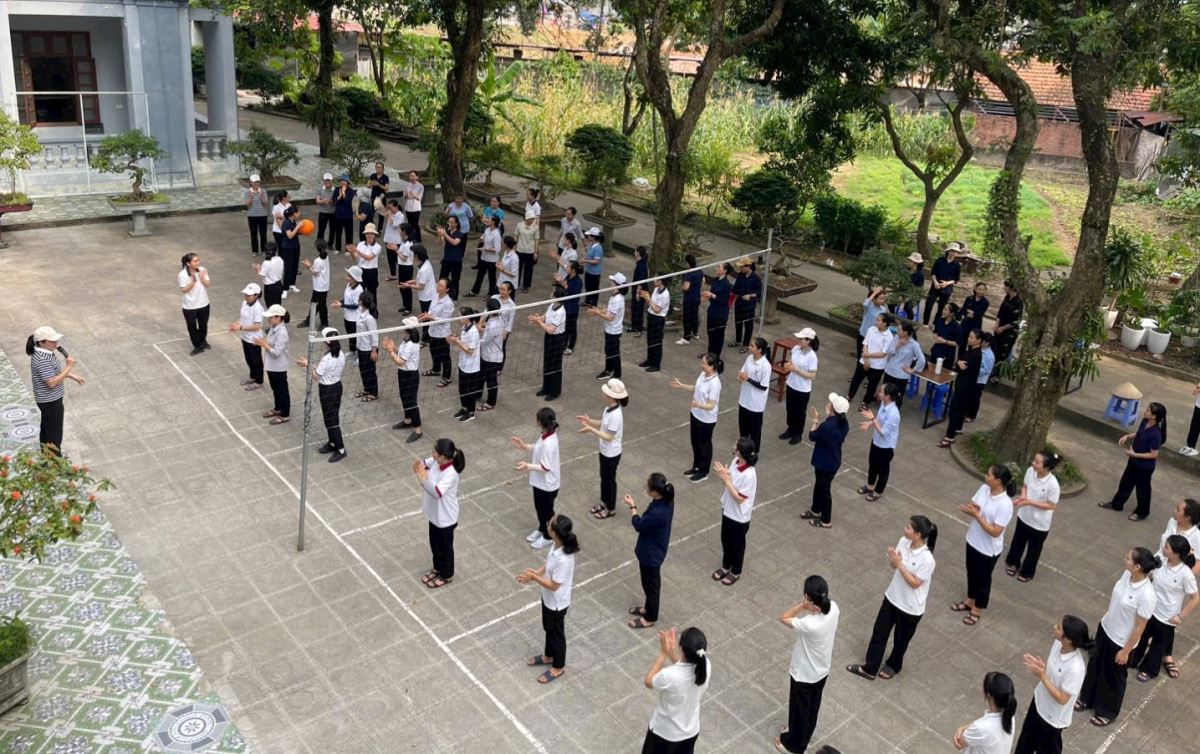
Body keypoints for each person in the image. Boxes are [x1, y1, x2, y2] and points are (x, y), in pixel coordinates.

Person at [847, 515, 938, 680]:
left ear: (918, 535)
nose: (905, 529)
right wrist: (893, 559)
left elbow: (915, 583)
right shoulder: (903, 541)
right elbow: (893, 565)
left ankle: (894, 665)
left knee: (901, 640)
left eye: (909, 527)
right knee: (879, 632)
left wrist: (899, 564)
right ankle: (870, 668)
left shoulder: (927, 560)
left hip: (910, 608)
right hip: (892, 597)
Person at [1077, 547, 1159, 727]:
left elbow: (1140, 627)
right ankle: (1086, 698)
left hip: (1121, 641)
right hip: (1106, 628)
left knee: (1113, 676)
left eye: (1128, 558)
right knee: (1095, 665)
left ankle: (1107, 711)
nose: (1125, 559)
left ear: (1137, 566)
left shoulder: (1147, 595)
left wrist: (1126, 651)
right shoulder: (1126, 575)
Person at [776, 576, 839, 754]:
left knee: (799, 710)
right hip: (822, 669)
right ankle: (804, 735)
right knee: (812, 706)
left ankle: (794, 746)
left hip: (803, 674)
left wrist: (802, 607)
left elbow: (783, 617)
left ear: (807, 596)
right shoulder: (834, 609)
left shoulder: (809, 624)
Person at [1014, 616, 1092, 754]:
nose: (1054, 627)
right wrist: (1043, 670)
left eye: (1058, 627)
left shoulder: (1076, 668)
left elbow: (1063, 699)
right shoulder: (1058, 644)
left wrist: (1042, 676)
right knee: (1025, 743)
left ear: (1068, 639)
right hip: (1038, 703)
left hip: (1052, 718)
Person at [953, 465, 1017, 627]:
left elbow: (995, 531)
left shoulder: (1005, 504)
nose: (986, 477)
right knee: (971, 572)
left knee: (983, 580)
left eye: (989, 475)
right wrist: (972, 509)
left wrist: (977, 515)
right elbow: (975, 505)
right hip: (973, 540)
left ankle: (977, 609)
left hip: (988, 549)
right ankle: (969, 599)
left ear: (998, 481)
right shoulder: (984, 489)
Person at [517, 514, 578, 684]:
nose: (547, 523)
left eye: (550, 524)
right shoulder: (557, 545)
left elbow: (553, 585)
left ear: (555, 533)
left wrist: (533, 578)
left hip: (557, 603)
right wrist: (537, 572)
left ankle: (558, 666)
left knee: (557, 634)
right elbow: (549, 562)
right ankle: (548, 656)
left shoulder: (564, 560)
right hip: (548, 599)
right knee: (548, 628)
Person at [1133, 535, 1198, 682]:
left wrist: (1180, 616)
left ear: (1176, 554)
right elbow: (1150, 577)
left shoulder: (1185, 574)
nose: (1163, 548)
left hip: (1166, 617)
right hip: (1150, 610)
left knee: (1158, 645)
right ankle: (1133, 659)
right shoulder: (1160, 560)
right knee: (1141, 637)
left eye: (1167, 547)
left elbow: (1195, 598)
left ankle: (1149, 669)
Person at [641, 626, 709, 754]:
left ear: (681, 649)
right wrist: (671, 652)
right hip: (690, 731)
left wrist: (663, 653)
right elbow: (683, 665)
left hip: (665, 734)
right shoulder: (706, 667)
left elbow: (648, 681)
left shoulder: (669, 676)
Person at [1097, 401, 1166, 522]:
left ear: (1154, 416)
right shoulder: (1145, 421)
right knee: (1125, 483)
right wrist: (1128, 436)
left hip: (1144, 467)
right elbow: (1139, 433)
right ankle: (1116, 504)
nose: (1145, 411)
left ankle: (1142, 512)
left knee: (1142, 490)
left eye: (1148, 410)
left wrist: (1135, 454)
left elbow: (1154, 454)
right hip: (1134, 461)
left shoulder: (1155, 434)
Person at [1005, 450, 1063, 582]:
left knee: (1034, 549)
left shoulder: (1053, 485)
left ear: (1046, 467)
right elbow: (1025, 486)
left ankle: (1027, 572)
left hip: (1039, 523)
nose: (1033, 463)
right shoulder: (1030, 472)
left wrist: (1029, 502)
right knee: (1018, 541)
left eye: (1037, 462)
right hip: (1024, 516)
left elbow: (1051, 505)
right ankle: (1013, 562)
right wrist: (1023, 497)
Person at [415, 438, 465, 589]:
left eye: (434, 451)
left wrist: (423, 478)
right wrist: (419, 467)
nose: (432, 453)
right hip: (434, 514)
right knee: (434, 543)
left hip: (445, 518)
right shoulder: (437, 462)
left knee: (444, 548)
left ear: (442, 456)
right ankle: (437, 568)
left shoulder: (450, 474)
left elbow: (436, 492)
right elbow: (423, 464)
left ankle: (446, 574)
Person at [625, 473, 674, 628]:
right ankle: (648, 608)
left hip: (651, 554)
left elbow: (639, 525)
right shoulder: (666, 501)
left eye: (648, 486)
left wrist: (633, 506)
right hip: (654, 548)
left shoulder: (658, 513)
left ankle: (650, 617)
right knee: (648, 584)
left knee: (651, 586)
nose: (645, 487)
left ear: (654, 492)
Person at [26, 326, 84, 451]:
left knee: (47, 430)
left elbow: (53, 372)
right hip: (50, 401)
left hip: (50, 400)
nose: (56, 343)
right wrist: (69, 366)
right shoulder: (42, 359)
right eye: (52, 341)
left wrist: (71, 375)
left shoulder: (46, 352)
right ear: (41, 342)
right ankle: (54, 460)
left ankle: (46, 457)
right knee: (54, 435)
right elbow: (51, 383)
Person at [712, 436, 758, 586]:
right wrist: (725, 476)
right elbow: (729, 483)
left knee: (737, 545)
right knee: (725, 539)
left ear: (741, 452)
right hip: (728, 509)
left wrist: (726, 479)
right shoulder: (735, 462)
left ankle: (736, 571)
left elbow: (739, 498)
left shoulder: (750, 474)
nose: (734, 446)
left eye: (736, 446)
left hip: (739, 516)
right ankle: (726, 566)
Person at [513, 407, 562, 549]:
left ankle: (548, 536)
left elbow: (545, 467)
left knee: (547, 511)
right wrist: (525, 446)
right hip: (540, 482)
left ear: (539, 422)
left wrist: (527, 465)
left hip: (548, 485)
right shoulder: (546, 434)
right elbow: (538, 446)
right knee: (539, 508)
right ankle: (542, 528)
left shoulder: (549, 443)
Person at [297, 327, 347, 462]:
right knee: (328, 418)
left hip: (328, 390)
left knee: (332, 420)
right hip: (336, 386)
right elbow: (322, 371)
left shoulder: (327, 358)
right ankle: (332, 443)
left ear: (327, 342)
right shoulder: (341, 354)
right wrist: (310, 365)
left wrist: (307, 366)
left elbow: (317, 376)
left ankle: (341, 449)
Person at [580, 378, 628, 519]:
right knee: (604, 478)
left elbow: (609, 437)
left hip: (611, 453)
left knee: (609, 480)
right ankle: (604, 502)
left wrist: (591, 429)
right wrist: (590, 421)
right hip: (605, 451)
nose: (603, 393)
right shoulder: (609, 408)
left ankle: (611, 508)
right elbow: (603, 423)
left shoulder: (616, 415)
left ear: (611, 396)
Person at [672, 354, 723, 484]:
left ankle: (704, 471)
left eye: (704, 364)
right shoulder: (703, 374)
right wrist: (682, 385)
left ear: (712, 367)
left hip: (706, 420)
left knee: (704, 445)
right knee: (695, 441)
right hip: (695, 414)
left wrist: (698, 405)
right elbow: (696, 388)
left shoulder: (715, 384)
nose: (702, 365)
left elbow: (711, 405)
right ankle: (696, 466)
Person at [802, 394, 850, 528]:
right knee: (820, 485)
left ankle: (826, 520)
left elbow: (812, 436)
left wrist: (815, 421)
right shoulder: (844, 423)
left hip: (825, 462)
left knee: (824, 490)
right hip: (832, 459)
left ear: (833, 409)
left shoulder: (827, 426)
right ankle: (815, 509)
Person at [938, 329, 984, 448]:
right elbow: (959, 364)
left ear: (979, 341)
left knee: (955, 410)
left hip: (965, 387)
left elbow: (963, 367)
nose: (969, 339)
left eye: (972, 338)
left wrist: (959, 363)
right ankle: (958, 428)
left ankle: (949, 436)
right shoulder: (970, 350)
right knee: (961, 409)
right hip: (963, 384)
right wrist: (959, 363)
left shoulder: (976, 354)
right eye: (969, 336)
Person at [952, 672, 1017, 753]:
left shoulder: (981, 728)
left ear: (988, 695)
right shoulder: (1010, 715)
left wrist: (960, 729)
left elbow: (959, 743)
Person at [383, 317, 424, 444]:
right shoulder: (407, 340)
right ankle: (407, 420)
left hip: (410, 376)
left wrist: (390, 351)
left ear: (407, 330)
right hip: (403, 374)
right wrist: (393, 348)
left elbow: (400, 362)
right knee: (404, 397)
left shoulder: (411, 344)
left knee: (411, 402)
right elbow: (401, 353)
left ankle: (418, 430)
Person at [857, 382, 901, 501]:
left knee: (883, 470)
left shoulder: (894, 414)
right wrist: (869, 423)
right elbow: (878, 420)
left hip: (886, 447)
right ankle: (870, 486)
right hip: (876, 442)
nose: (878, 392)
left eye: (881, 391)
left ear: (888, 396)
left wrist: (872, 418)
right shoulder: (883, 403)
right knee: (872, 464)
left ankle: (878, 491)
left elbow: (883, 432)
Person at [847, 313, 895, 411]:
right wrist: (866, 360)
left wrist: (867, 356)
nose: (875, 322)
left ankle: (865, 402)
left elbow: (883, 353)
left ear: (885, 323)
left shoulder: (889, 336)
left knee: (872, 385)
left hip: (877, 366)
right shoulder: (871, 329)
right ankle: (849, 396)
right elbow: (865, 344)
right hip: (864, 361)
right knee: (856, 380)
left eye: (878, 320)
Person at [779, 328, 818, 444]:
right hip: (791, 384)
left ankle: (798, 433)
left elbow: (812, 375)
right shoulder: (796, 348)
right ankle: (790, 429)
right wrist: (788, 365)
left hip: (802, 389)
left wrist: (796, 370)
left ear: (808, 341)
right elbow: (790, 361)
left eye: (802, 339)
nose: (799, 340)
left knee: (799, 412)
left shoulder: (812, 356)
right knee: (790, 409)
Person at [256, 304, 291, 425]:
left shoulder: (282, 333)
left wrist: (264, 345)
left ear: (278, 317)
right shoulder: (273, 327)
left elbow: (276, 352)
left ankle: (285, 414)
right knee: (275, 389)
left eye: (271, 317)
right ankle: (278, 408)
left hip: (279, 367)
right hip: (271, 365)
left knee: (282, 390)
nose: (269, 319)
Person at [530, 288, 567, 400]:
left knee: (555, 366)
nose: (551, 293)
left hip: (557, 339)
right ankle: (546, 388)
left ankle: (554, 392)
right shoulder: (552, 305)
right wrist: (537, 319)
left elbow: (550, 330)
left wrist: (539, 322)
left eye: (553, 292)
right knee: (547, 362)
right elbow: (544, 317)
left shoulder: (561, 312)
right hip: (549, 338)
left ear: (557, 297)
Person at [736, 337, 771, 453]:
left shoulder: (765, 366)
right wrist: (740, 377)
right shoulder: (749, 358)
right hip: (744, 400)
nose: (750, 348)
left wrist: (748, 379)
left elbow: (764, 386)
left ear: (759, 350)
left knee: (754, 432)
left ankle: (753, 452)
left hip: (755, 405)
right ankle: (742, 450)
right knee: (743, 429)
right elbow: (742, 372)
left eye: (752, 346)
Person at [447, 308, 482, 423]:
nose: (459, 317)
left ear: (467, 318)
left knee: (469, 391)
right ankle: (464, 408)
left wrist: (457, 342)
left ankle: (471, 412)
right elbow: (463, 342)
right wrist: (454, 339)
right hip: (463, 364)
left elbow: (470, 351)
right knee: (462, 389)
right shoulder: (464, 327)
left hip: (471, 367)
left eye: (461, 316)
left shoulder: (474, 332)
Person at [419, 279, 455, 389]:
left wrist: (430, 317)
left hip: (442, 334)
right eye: (438, 284)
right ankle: (436, 369)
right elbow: (431, 309)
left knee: (445, 356)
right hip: (432, 331)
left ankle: (447, 377)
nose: (438, 286)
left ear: (447, 289)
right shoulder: (435, 296)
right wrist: (427, 315)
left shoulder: (448, 303)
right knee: (433, 351)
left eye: (441, 286)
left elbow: (444, 320)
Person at [590, 273, 627, 380]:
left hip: (614, 331)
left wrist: (597, 313)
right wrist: (599, 310)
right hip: (609, 329)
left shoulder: (618, 299)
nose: (610, 282)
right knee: (609, 351)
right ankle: (608, 370)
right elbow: (609, 309)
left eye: (612, 281)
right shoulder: (614, 296)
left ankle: (617, 375)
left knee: (614, 353)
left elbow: (610, 317)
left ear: (617, 285)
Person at [229, 283, 265, 391]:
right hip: (245, 336)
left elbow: (257, 326)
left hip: (254, 339)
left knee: (256, 361)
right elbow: (242, 317)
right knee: (248, 359)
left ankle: (259, 381)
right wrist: (236, 324)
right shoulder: (244, 303)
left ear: (256, 295)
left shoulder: (258, 308)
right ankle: (252, 376)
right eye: (246, 294)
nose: (246, 297)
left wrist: (240, 327)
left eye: (249, 295)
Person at [178, 253, 211, 355]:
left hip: (204, 303)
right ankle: (197, 345)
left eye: (198, 260)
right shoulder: (182, 275)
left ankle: (203, 341)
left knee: (203, 325)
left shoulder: (202, 269)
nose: (198, 263)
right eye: (195, 261)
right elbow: (184, 290)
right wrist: (193, 282)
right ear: (188, 263)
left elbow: (207, 285)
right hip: (189, 306)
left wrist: (202, 278)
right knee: (192, 327)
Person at [1154, 498, 1200, 572]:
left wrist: (1183, 576)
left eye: (1178, 510)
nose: (1174, 511)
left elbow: (1198, 563)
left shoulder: (1197, 537)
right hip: (1157, 563)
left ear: (1187, 517)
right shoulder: (1172, 521)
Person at [923, 243, 962, 324]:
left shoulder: (957, 265)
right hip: (935, 286)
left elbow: (956, 279)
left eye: (955, 252)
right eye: (952, 251)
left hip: (947, 289)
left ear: (957, 253)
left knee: (941, 308)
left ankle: (935, 324)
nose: (953, 253)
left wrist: (947, 283)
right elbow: (933, 272)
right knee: (929, 304)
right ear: (948, 251)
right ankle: (925, 323)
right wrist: (935, 282)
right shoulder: (940, 260)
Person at [702, 263, 733, 360]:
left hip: (721, 314)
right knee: (710, 333)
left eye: (719, 267)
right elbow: (712, 295)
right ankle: (710, 354)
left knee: (718, 335)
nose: (717, 268)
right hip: (712, 310)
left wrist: (712, 295)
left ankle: (716, 357)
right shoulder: (715, 280)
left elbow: (724, 301)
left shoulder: (727, 285)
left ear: (725, 270)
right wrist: (708, 295)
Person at [298, 239, 330, 329]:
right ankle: (310, 320)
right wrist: (311, 266)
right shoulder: (326, 257)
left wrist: (308, 266)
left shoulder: (318, 260)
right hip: (323, 285)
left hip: (319, 286)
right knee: (316, 303)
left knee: (320, 305)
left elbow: (315, 273)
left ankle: (324, 323)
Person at [353, 292, 380, 402]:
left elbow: (374, 335)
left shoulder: (369, 318)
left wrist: (374, 351)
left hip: (368, 349)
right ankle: (367, 389)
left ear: (361, 301)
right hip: (361, 346)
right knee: (363, 370)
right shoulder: (361, 311)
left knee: (370, 372)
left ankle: (374, 393)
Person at [330, 265, 363, 353]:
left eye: (349, 276)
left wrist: (341, 305)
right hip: (347, 316)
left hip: (354, 319)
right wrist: (339, 302)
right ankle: (352, 352)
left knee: (354, 337)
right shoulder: (348, 285)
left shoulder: (359, 290)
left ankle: (357, 354)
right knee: (350, 336)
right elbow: (346, 298)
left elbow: (355, 306)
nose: (346, 277)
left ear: (355, 278)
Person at [480, 298, 506, 411]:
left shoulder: (494, 325)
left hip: (491, 357)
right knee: (483, 376)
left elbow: (484, 341)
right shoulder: (498, 319)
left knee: (491, 380)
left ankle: (491, 402)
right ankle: (478, 394)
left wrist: (471, 343)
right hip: (489, 354)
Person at [731, 258, 762, 352]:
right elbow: (735, 289)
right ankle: (738, 340)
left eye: (742, 267)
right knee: (738, 322)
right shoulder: (740, 275)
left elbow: (759, 293)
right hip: (739, 303)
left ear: (748, 267)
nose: (740, 269)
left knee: (748, 325)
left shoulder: (756, 278)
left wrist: (750, 295)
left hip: (749, 305)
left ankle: (746, 344)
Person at [640, 276, 670, 371]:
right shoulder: (656, 289)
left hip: (658, 319)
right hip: (651, 316)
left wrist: (648, 299)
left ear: (660, 281)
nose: (654, 280)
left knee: (656, 342)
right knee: (650, 340)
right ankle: (650, 360)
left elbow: (657, 309)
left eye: (656, 279)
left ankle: (656, 365)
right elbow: (651, 304)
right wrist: (646, 298)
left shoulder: (665, 294)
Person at [468, 213, 501, 297]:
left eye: (489, 219)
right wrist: (481, 240)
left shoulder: (496, 234)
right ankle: (474, 291)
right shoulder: (487, 230)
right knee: (479, 275)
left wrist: (485, 249)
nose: (487, 220)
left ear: (493, 222)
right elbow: (483, 238)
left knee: (491, 277)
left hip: (492, 260)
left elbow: (497, 249)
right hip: (484, 258)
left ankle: (491, 293)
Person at [345, 222, 381, 299]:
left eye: (372, 234)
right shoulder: (360, 244)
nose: (370, 235)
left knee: (372, 293)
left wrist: (356, 251)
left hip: (372, 271)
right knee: (360, 292)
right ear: (365, 235)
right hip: (361, 270)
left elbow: (369, 257)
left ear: (374, 235)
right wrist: (351, 252)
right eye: (368, 233)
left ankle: (373, 307)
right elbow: (355, 258)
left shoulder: (377, 246)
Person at [993, 280, 1024, 366]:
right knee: (995, 348)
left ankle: (998, 370)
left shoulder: (1019, 301)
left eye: (1005, 287)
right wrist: (997, 324)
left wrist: (1003, 328)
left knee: (1003, 352)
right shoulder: (1007, 297)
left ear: (1010, 288)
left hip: (1009, 330)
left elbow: (1016, 320)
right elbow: (1000, 311)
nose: (1004, 288)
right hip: (1000, 326)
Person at [556, 261, 584, 355]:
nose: (566, 268)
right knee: (564, 327)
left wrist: (565, 286)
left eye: (568, 267)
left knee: (571, 329)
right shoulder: (568, 277)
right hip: (565, 307)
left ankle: (570, 346)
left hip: (572, 309)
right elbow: (562, 289)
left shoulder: (578, 281)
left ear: (573, 270)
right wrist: (559, 282)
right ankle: (563, 345)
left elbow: (573, 295)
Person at [966, 332, 995, 422]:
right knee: (968, 396)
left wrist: (974, 369)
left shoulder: (989, 356)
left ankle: (971, 415)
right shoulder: (977, 349)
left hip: (979, 380)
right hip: (971, 377)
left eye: (982, 341)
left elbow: (987, 370)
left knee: (974, 398)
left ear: (987, 343)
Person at [437, 215, 467, 300]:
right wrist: (439, 235)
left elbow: (455, 242)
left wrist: (445, 234)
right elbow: (440, 243)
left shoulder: (460, 234)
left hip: (456, 261)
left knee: (455, 280)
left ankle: (454, 297)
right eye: (449, 222)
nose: (449, 224)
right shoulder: (447, 232)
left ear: (456, 224)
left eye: (451, 222)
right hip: (447, 259)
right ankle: (441, 294)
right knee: (442, 278)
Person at [855, 287, 889, 358]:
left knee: (868, 357)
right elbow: (865, 303)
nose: (882, 301)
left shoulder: (883, 310)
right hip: (863, 334)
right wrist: (874, 293)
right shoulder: (869, 306)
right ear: (874, 299)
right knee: (860, 356)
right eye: (880, 299)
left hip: (873, 337)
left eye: (883, 298)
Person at [677, 254, 703, 345]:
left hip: (689, 299)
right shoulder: (699, 271)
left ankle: (686, 337)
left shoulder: (688, 273)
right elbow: (703, 281)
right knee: (694, 315)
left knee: (687, 317)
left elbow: (686, 287)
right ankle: (695, 333)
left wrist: (681, 288)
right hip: (696, 297)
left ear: (688, 263)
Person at [929, 301, 963, 367]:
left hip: (947, 354)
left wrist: (944, 341)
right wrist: (936, 337)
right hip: (936, 350)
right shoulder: (940, 320)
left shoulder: (957, 327)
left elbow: (957, 343)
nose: (943, 311)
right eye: (944, 308)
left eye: (946, 309)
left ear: (952, 313)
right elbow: (935, 332)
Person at [958, 281, 991, 349]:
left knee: (972, 346)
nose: (981, 291)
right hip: (965, 324)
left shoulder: (985, 302)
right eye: (979, 289)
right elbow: (963, 310)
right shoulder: (969, 298)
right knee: (962, 344)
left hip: (976, 326)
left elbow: (980, 314)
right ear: (975, 289)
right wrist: (971, 313)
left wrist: (972, 313)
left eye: (983, 290)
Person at [279, 204, 303, 295]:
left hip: (295, 246)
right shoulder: (287, 223)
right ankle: (285, 289)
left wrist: (301, 230)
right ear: (294, 213)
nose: (299, 214)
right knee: (288, 268)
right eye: (298, 212)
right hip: (288, 248)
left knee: (294, 267)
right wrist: (298, 227)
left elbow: (295, 233)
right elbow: (290, 236)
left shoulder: (293, 221)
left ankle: (292, 284)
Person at [243, 174, 270, 255]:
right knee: (253, 233)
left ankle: (264, 250)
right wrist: (251, 197)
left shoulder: (263, 191)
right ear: (251, 183)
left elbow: (266, 204)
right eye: (254, 182)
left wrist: (261, 197)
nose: (256, 184)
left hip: (262, 215)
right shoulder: (247, 192)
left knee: (263, 233)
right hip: (252, 216)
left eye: (258, 182)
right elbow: (247, 205)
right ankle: (255, 251)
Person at [516, 209, 540, 292]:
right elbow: (516, 236)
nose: (531, 220)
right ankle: (516, 283)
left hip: (530, 251)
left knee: (528, 269)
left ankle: (526, 286)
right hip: (520, 249)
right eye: (530, 219)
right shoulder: (519, 225)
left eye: (532, 219)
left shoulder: (535, 227)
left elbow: (536, 239)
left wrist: (535, 252)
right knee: (518, 268)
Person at [255, 242, 284, 307]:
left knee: (270, 307)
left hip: (270, 288)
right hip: (279, 285)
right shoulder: (280, 259)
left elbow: (262, 276)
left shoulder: (266, 263)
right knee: (278, 306)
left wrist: (258, 269)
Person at [629, 245, 650, 337]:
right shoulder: (639, 263)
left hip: (640, 291)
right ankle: (634, 327)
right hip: (636, 289)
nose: (634, 253)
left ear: (638, 253)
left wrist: (638, 292)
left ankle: (639, 329)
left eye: (635, 251)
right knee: (634, 308)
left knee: (638, 310)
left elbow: (641, 280)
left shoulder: (641, 265)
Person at [382, 199, 404, 282]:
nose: (390, 209)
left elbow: (395, 225)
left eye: (391, 208)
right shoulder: (391, 214)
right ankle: (393, 274)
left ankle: (402, 274)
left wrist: (390, 216)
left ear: (396, 206)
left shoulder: (400, 215)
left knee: (397, 258)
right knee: (390, 259)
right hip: (388, 239)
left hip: (396, 240)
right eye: (389, 208)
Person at [331, 175, 355, 252]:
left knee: (349, 233)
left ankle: (348, 249)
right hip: (338, 214)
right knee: (338, 232)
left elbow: (348, 201)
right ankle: (338, 248)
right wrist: (340, 195)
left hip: (348, 215)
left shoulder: (351, 191)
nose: (342, 182)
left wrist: (344, 193)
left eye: (344, 181)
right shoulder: (337, 189)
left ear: (347, 182)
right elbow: (334, 200)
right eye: (341, 181)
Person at [583, 227, 605, 306]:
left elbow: (596, 261)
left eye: (589, 236)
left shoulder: (598, 248)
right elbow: (588, 254)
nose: (588, 237)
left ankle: (593, 304)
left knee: (594, 288)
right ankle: (587, 301)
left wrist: (585, 261)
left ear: (593, 237)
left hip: (595, 273)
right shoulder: (590, 245)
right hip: (588, 270)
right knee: (588, 286)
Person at [1177, 381, 1200, 457]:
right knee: (1194, 426)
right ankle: (1190, 446)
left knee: (1196, 426)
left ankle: (1191, 447)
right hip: (1198, 405)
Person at [400, 170, 424, 240]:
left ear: (417, 177)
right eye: (410, 176)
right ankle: (411, 238)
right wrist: (406, 195)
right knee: (410, 224)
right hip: (408, 207)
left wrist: (413, 195)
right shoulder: (407, 185)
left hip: (416, 208)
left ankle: (418, 238)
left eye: (413, 176)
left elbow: (419, 197)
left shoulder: (420, 186)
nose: (412, 177)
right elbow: (404, 196)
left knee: (415, 224)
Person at [901, 252, 924, 322]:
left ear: (915, 263)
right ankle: (894, 318)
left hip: (914, 295)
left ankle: (909, 320)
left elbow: (918, 289)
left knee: (907, 307)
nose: (907, 262)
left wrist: (908, 297)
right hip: (903, 292)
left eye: (910, 261)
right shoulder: (906, 270)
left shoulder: (920, 274)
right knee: (891, 303)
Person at [314, 172, 335, 244]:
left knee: (332, 229)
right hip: (323, 212)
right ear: (324, 181)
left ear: (332, 181)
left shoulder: (335, 190)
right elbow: (317, 201)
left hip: (333, 212)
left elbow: (337, 201)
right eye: (326, 180)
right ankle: (320, 243)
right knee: (321, 229)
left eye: (329, 180)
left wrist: (330, 201)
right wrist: (323, 201)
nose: (327, 182)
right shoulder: (320, 189)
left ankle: (330, 244)